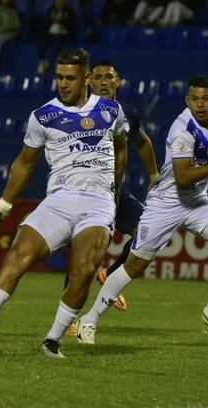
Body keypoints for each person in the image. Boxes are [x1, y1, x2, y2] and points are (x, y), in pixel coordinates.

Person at [0, 47, 127, 359]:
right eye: (59, 77)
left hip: (97, 203)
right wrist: (3, 205)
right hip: (58, 201)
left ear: (86, 79)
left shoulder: (110, 111)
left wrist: (115, 190)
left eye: (70, 78)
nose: (63, 84)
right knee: (19, 255)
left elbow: (121, 146)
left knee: (83, 268)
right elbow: (25, 164)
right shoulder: (43, 116)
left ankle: (52, 340)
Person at [76, 75, 208, 345]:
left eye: (205, 98)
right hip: (167, 203)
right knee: (135, 264)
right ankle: (89, 319)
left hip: (198, 201)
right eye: (194, 99)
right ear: (187, 100)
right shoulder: (182, 129)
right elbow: (183, 177)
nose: (199, 104)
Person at [63, 59, 159, 335]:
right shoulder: (78, 110)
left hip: (115, 191)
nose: (104, 82)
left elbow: (143, 141)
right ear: (89, 80)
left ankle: (111, 274)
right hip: (86, 191)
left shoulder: (127, 113)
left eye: (110, 77)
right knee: (84, 253)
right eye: (99, 77)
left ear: (118, 81)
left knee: (149, 229)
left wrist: (153, 175)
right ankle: (69, 319)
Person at [37, 0, 76, 74]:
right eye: (58, 0)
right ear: (55, 1)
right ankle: (43, 61)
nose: (59, 2)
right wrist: (53, 20)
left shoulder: (69, 11)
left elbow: (72, 25)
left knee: (57, 40)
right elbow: (45, 23)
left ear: (65, 1)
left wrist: (62, 21)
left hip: (63, 33)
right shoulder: (51, 10)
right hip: (51, 33)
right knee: (41, 39)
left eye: (62, 0)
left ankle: (58, 64)